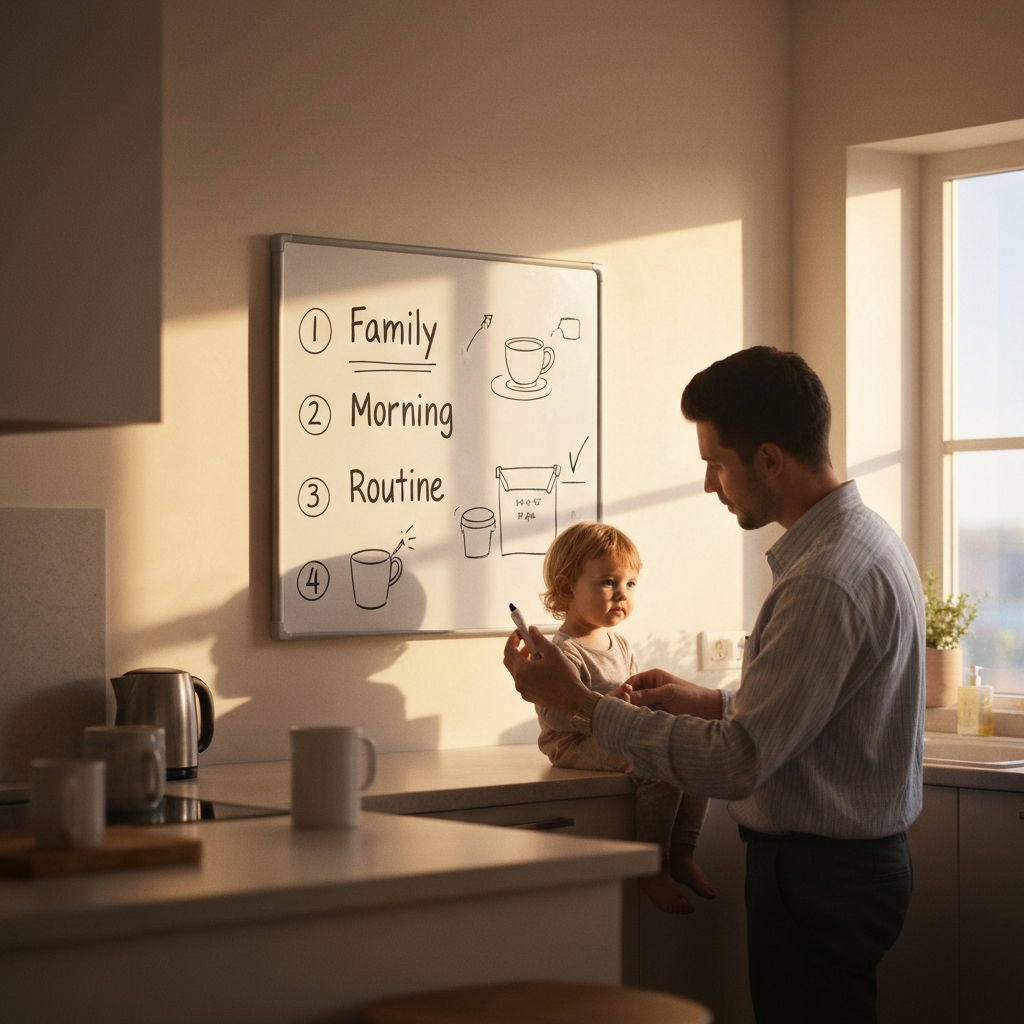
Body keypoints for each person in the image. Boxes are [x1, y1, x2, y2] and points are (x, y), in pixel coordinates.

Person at [503, 346, 924, 1024]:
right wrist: (710, 701)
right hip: (846, 872)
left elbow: (740, 760)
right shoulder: (868, 542)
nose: (708, 484)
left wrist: (580, 704)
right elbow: (812, 714)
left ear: (768, 459)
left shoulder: (823, 577)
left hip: (818, 878)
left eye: (717, 463)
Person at [531, 520, 715, 915]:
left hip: (612, 732)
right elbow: (554, 713)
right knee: (654, 762)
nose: (622, 595)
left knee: (694, 746)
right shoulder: (559, 650)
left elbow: (626, 700)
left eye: (630, 584)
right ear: (566, 589)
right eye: (609, 583)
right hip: (572, 744)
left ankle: (682, 851)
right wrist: (601, 706)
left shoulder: (619, 642)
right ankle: (651, 864)